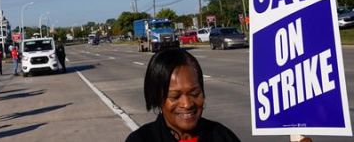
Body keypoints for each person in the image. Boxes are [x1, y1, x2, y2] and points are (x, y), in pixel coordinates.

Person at [124, 49, 305, 142]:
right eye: (175, 96)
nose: (187, 104)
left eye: (195, 93)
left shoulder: (222, 136)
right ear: (157, 96)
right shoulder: (141, 140)